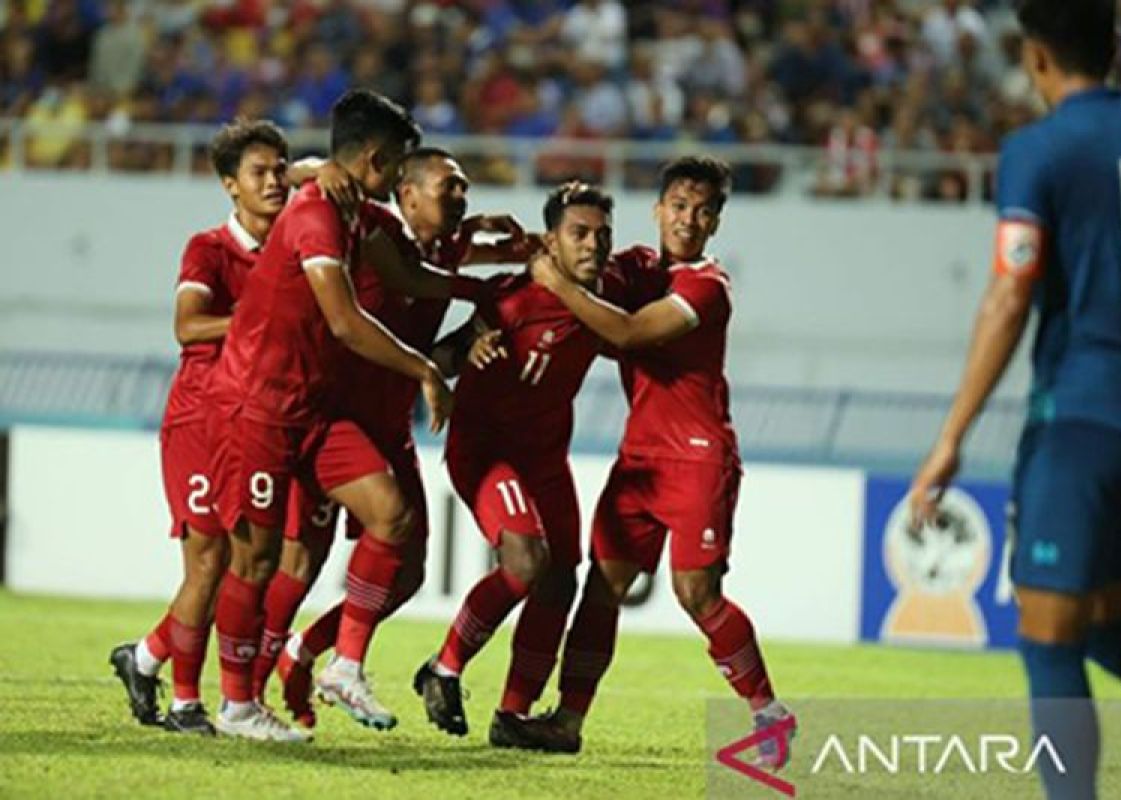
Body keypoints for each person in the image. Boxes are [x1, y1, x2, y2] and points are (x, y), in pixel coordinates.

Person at [908, 2, 1121, 796]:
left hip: (1081, 417)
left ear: (1036, 58)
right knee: (1115, 629)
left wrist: (951, 436)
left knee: (1049, 639)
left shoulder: (1038, 149)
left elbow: (1009, 295)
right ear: (1113, 47)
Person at [205, 89, 478, 741]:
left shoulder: (355, 212)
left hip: (314, 409)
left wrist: (489, 289)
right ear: (378, 160)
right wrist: (425, 370)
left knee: (391, 515)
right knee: (259, 560)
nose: (399, 182)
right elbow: (347, 322)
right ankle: (235, 703)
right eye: (398, 167)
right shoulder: (317, 216)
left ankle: (343, 665)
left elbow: (410, 279)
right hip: (258, 406)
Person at [516, 157, 793, 769]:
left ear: (716, 221)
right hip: (639, 459)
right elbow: (582, 272)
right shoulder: (638, 265)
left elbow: (631, 332)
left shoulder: (707, 285)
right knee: (602, 588)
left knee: (697, 593)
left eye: (702, 211)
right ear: (658, 208)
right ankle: (567, 721)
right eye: (678, 206)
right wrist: (543, 243)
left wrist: (558, 284)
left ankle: (769, 713)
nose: (688, 220)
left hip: (698, 459)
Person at [107, 119, 359, 735]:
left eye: (279, 170)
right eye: (258, 173)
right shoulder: (210, 249)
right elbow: (188, 327)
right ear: (229, 186)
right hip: (202, 415)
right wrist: (259, 315)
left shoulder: (297, 239)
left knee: (251, 559)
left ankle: (144, 658)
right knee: (212, 559)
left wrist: (308, 168)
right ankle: (189, 702)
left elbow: (310, 174)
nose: (273, 181)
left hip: (260, 416)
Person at [413, 182, 624, 747]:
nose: (593, 246)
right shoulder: (513, 296)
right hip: (486, 451)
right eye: (579, 234)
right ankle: (445, 667)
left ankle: (513, 715)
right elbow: (442, 356)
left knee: (560, 579)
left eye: (603, 235)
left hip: (546, 458)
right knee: (527, 559)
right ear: (551, 241)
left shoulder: (606, 299)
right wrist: (467, 355)